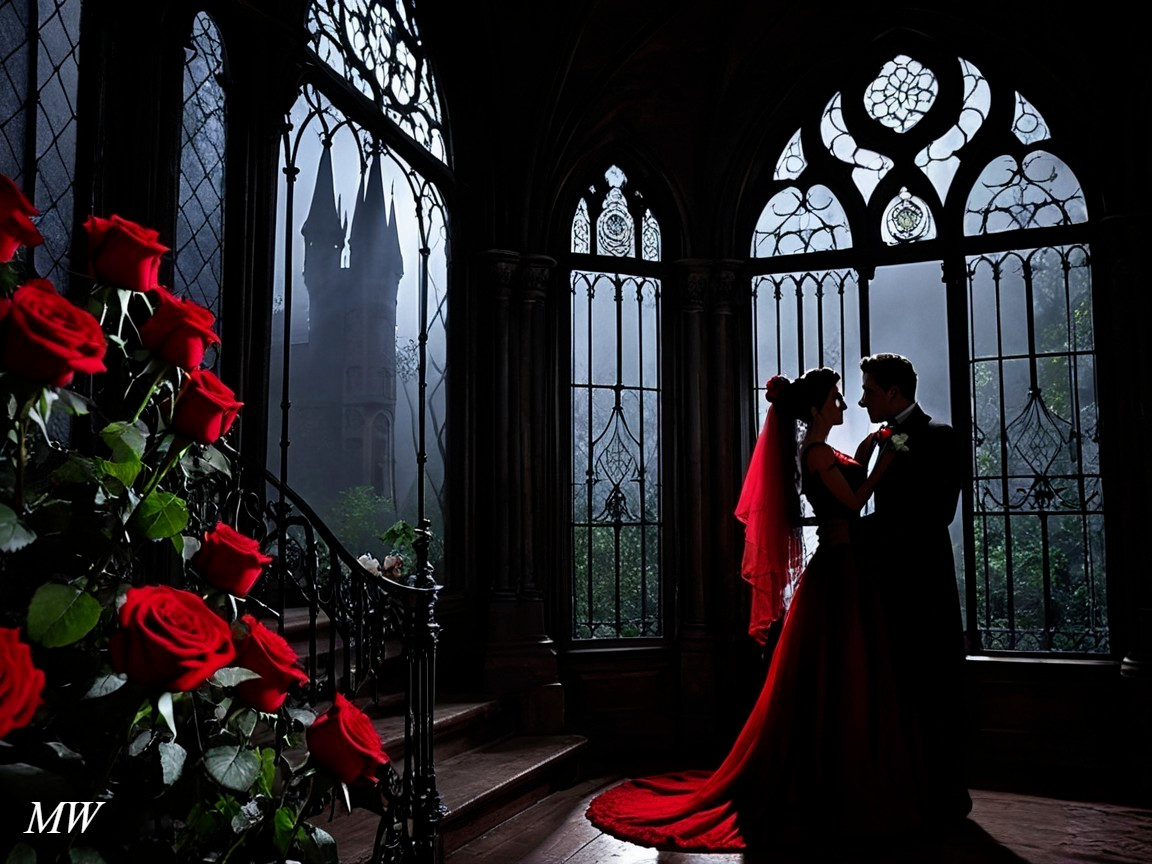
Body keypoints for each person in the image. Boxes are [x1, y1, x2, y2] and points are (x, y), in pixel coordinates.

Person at [585, 368, 926, 852]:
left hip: (845, 566)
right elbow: (852, 501)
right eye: (836, 398)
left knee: (841, 668)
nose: (844, 405)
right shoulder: (816, 453)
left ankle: (847, 769)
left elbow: (842, 492)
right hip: (838, 571)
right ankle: (838, 777)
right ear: (815, 409)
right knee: (839, 667)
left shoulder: (821, 450)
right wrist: (884, 462)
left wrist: (870, 449)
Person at [853, 352, 972, 824]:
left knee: (933, 683)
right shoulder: (883, 439)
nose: (862, 401)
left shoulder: (939, 436)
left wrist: (859, 530)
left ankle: (943, 795)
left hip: (924, 583)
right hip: (888, 582)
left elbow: (937, 512)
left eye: (869, 391)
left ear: (893, 393)